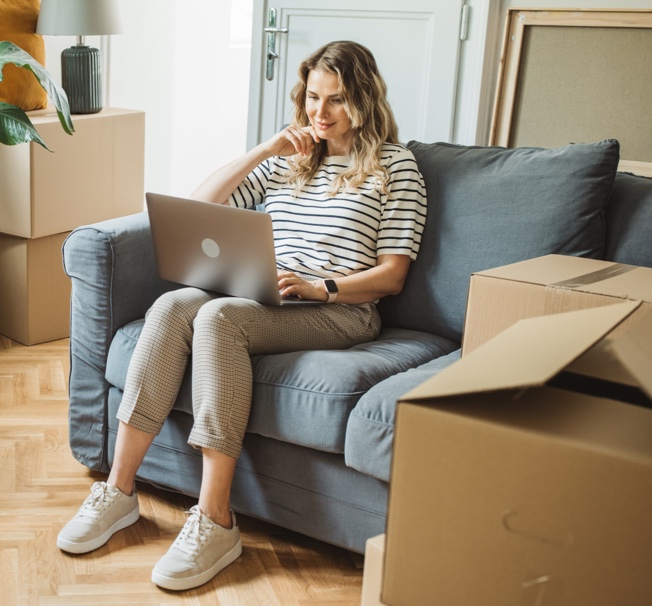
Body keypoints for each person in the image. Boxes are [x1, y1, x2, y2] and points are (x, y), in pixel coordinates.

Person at [57, 40, 427, 591]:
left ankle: (215, 519)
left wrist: (320, 287)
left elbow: (391, 274)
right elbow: (200, 205)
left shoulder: (394, 168)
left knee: (218, 319)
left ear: (365, 100)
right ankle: (119, 489)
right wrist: (265, 149)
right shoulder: (294, 159)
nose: (319, 115)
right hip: (265, 293)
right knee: (173, 305)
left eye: (337, 101)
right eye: (312, 100)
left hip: (339, 308)